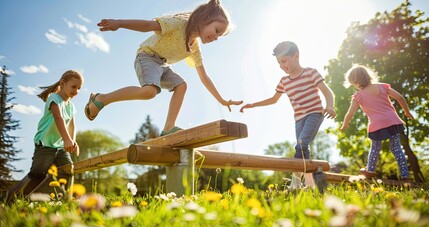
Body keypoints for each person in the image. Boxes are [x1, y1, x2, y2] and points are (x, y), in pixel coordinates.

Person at [85, 0, 242, 136]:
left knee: (181, 85)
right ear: (205, 19)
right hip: (147, 56)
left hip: (162, 64)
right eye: (216, 31)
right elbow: (147, 25)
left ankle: (168, 127)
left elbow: (204, 77)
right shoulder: (179, 24)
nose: (215, 38)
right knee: (149, 92)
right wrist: (119, 23)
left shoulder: (193, 47)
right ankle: (102, 98)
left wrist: (222, 100)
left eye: (219, 36)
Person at [240, 41, 336, 189]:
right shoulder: (284, 81)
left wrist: (330, 106)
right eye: (279, 63)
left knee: (302, 143)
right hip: (298, 119)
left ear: (296, 56)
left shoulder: (310, 72)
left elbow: (327, 91)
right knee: (302, 149)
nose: (282, 66)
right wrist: (253, 104)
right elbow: (273, 100)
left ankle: (295, 182)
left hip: (314, 114)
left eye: (284, 61)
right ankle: (309, 184)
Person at [5, 70, 83, 203]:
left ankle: (64, 201)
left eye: (79, 88)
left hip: (60, 147)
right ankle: (8, 199)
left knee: (69, 171)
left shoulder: (71, 106)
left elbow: (72, 126)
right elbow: (58, 118)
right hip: (45, 145)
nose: (76, 91)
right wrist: (66, 139)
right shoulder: (54, 98)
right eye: (73, 87)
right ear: (63, 84)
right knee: (37, 176)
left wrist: (72, 141)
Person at [340, 64, 413, 180]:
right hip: (393, 120)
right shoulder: (382, 87)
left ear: (355, 81)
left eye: (353, 84)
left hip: (377, 124)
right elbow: (400, 98)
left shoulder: (358, 96)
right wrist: (407, 112)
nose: (354, 87)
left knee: (375, 148)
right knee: (396, 148)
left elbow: (350, 113)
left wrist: (345, 124)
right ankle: (405, 175)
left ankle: (370, 170)